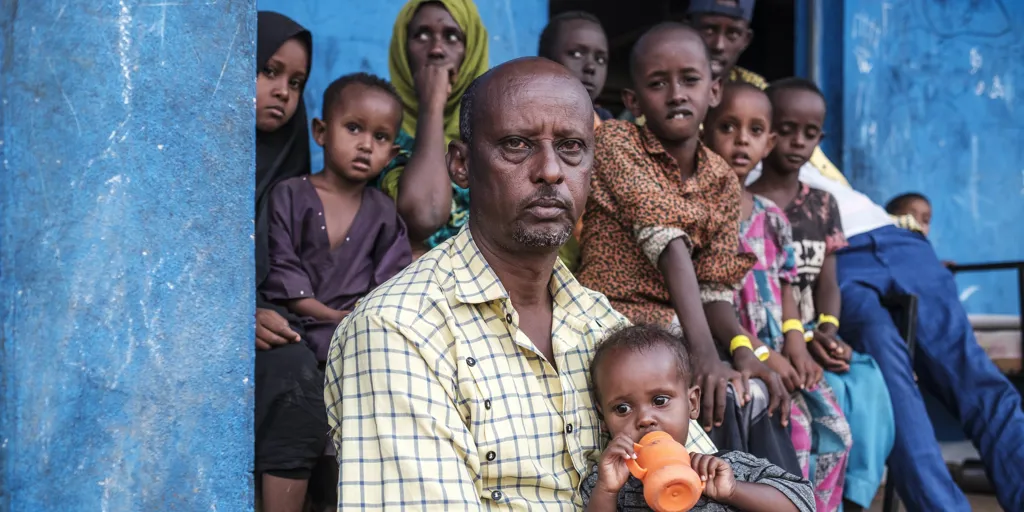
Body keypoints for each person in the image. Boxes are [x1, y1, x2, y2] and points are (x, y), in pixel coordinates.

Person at [323, 58, 720, 509]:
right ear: (461, 165)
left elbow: (702, 482)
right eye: (516, 144)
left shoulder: (600, 322)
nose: (550, 170)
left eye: (571, 147)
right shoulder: (398, 330)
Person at [748, 78, 1018, 512]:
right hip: (842, 260)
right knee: (893, 383)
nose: (794, 139)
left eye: (809, 132)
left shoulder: (815, 179)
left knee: (975, 376)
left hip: (894, 239)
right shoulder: (737, 153)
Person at [577, 23, 798, 475]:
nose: (676, 93)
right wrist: (704, 356)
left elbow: (716, 285)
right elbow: (669, 243)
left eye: (690, 80)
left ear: (714, 90)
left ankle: (777, 495)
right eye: (658, 83)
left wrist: (740, 351)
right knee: (714, 398)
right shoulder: (618, 143)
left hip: (685, 332)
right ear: (633, 101)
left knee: (754, 390)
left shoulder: (719, 176)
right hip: (620, 325)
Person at [581, 325, 814, 512]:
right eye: (622, 408)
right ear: (604, 420)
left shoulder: (726, 468)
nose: (645, 419)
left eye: (660, 401)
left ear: (692, 403)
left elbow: (803, 502)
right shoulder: (608, 484)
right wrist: (607, 491)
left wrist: (734, 491)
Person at [261, 72, 412, 362]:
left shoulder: (383, 212)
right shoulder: (288, 195)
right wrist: (332, 316)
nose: (366, 145)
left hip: (359, 333)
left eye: (380, 137)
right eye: (354, 128)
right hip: (294, 329)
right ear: (321, 132)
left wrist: (360, 318)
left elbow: (392, 284)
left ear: (391, 154)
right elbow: (282, 269)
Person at [252, 12, 327, 512]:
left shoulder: (291, 176)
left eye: (296, 82)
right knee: (293, 374)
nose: (283, 91)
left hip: (274, 316)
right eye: (269, 71)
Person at [686, 0, 854, 192]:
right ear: (688, 28)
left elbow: (817, 164)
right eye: (708, 30)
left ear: (746, 40)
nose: (719, 45)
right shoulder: (666, 94)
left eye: (732, 33)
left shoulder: (757, 89)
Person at [375, 0, 489, 257]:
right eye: (422, 35)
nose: (436, 49)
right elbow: (424, 214)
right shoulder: (378, 131)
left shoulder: (495, 132)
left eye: (452, 36)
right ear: (402, 49)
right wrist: (432, 108)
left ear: (471, 50)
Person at [537, 10, 611, 271]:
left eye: (600, 59)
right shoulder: (528, 125)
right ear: (545, 60)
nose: (591, 66)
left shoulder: (613, 133)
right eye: (576, 54)